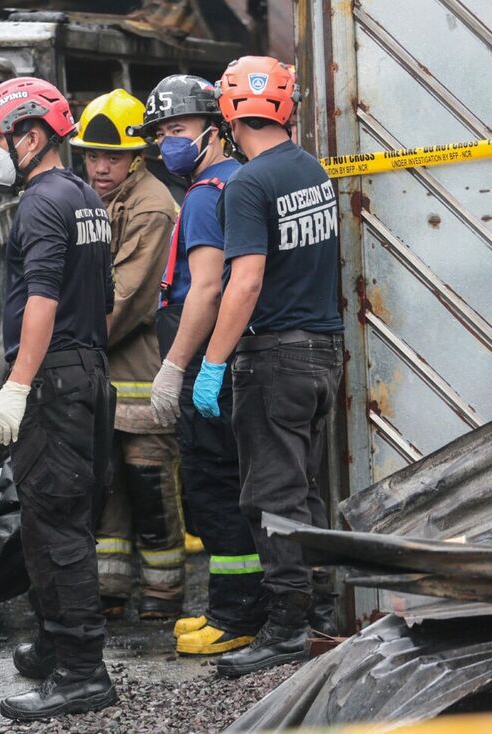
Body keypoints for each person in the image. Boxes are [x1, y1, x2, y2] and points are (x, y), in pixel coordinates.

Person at [0, 77, 117, 720]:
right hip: (84, 370)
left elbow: (42, 299)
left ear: (30, 136)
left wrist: (18, 384)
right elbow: (104, 297)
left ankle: (82, 672)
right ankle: (58, 645)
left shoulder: (38, 203)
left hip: (53, 379)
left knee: (56, 528)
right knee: (57, 519)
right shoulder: (83, 194)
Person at [193, 56, 343, 677]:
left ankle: (286, 626)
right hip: (322, 354)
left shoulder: (249, 185)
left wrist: (212, 361)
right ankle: (321, 612)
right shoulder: (312, 171)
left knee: (271, 495)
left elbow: (244, 281)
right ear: (287, 107)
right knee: (304, 488)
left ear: (229, 114)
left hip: (275, 357)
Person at [139, 74, 268, 656]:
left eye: (179, 129)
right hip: (243, 358)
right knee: (236, 482)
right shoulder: (239, 181)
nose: (168, 142)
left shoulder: (208, 193)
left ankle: (235, 614)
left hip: (211, 361)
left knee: (212, 485)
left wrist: (175, 365)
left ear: (215, 132)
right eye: (161, 132)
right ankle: (238, 604)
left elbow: (207, 288)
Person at [70, 89, 184, 622]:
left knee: (149, 484)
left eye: (111, 156)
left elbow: (126, 299)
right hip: (103, 382)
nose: (100, 166)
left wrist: (62, 342)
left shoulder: (153, 206)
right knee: (107, 487)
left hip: (141, 378)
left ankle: (163, 594)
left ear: (137, 155)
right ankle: (109, 592)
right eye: (92, 155)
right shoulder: (92, 200)